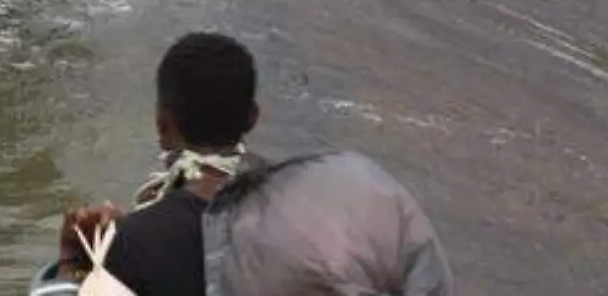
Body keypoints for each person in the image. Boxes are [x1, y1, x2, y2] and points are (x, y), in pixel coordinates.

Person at [33, 33, 454, 296]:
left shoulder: (135, 243)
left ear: (162, 125)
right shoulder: (312, 217)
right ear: (253, 117)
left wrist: (73, 261)